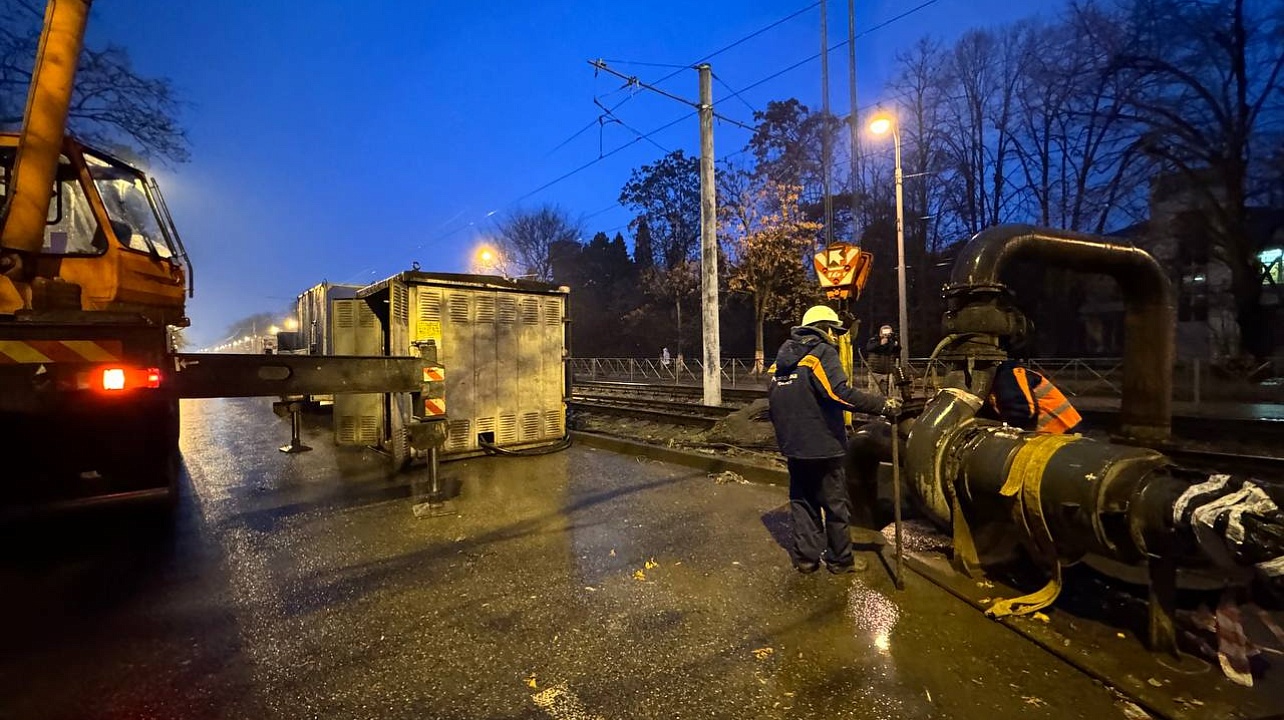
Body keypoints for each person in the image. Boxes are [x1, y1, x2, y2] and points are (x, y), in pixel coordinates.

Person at [768, 305, 901, 575]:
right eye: (833, 329)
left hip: (793, 446)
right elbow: (839, 393)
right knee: (835, 504)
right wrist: (883, 405)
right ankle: (841, 560)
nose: (835, 336)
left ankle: (806, 559)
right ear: (823, 327)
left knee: (803, 502)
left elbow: (774, 398)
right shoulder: (821, 352)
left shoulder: (781, 359)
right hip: (824, 445)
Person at [988, 358, 1083, 434]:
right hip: (1060, 430)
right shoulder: (1010, 375)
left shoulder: (1009, 376)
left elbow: (1021, 409)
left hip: (1060, 432)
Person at [864, 324, 901, 392]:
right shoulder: (874, 340)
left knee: (888, 392)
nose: (886, 334)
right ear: (881, 332)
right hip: (875, 371)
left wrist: (895, 342)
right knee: (874, 392)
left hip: (888, 372)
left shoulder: (892, 342)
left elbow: (897, 350)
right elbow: (869, 348)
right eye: (884, 332)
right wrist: (880, 344)